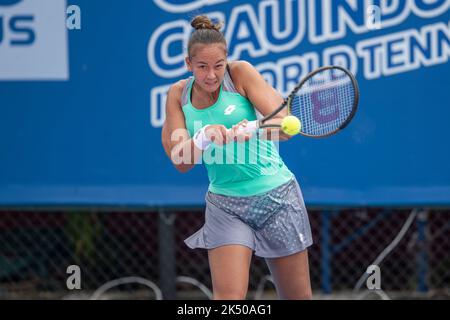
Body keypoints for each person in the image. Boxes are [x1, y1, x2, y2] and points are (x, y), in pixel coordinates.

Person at [161, 15, 313, 300]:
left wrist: (254, 128)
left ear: (226, 60)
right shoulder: (177, 95)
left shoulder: (240, 73)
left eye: (218, 66)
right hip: (224, 204)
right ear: (188, 64)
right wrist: (204, 136)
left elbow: (285, 127)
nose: (211, 75)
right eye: (202, 67)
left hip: (277, 198)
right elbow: (180, 160)